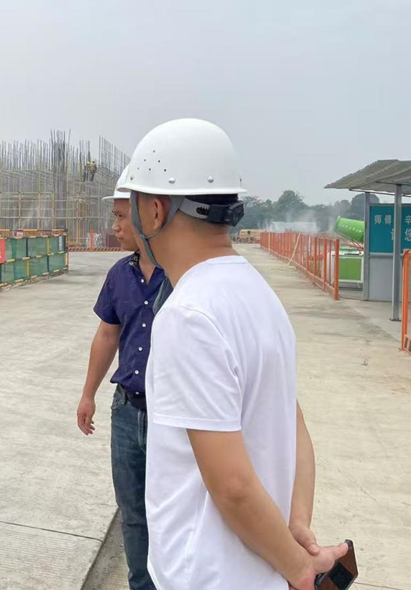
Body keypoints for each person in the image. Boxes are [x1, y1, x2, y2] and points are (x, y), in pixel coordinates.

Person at [121, 118, 348, 590]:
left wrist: (300, 569)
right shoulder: (259, 294)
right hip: (258, 571)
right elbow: (295, 427)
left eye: (134, 204)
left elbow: (233, 487)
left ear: (155, 212)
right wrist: (297, 526)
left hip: (205, 576)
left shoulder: (188, 315)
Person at [77, 165, 162, 590]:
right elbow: (107, 334)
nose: (114, 226)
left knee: (173, 511)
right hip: (127, 410)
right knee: (132, 512)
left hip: (171, 416)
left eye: (120, 216)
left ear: (149, 214)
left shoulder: (183, 275)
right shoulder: (119, 275)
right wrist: (88, 393)